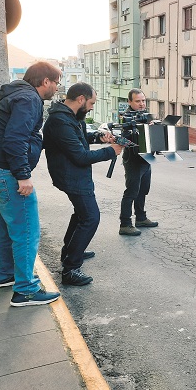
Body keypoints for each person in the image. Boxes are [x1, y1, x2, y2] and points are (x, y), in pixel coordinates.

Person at [0, 61, 62, 306]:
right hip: (6, 172)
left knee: (8, 228)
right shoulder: (29, 99)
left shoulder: (17, 95)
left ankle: (6, 275)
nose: (57, 87)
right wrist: (23, 175)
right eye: (56, 82)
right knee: (26, 230)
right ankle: (26, 290)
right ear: (45, 81)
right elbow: (15, 139)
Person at [42, 82, 122, 286]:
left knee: (81, 214)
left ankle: (70, 251)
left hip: (75, 175)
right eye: (91, 103)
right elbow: (80, 156)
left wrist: (98, 137)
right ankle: (70, 269)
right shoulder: (60, 121)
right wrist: (110, 151)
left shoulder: (70, 117)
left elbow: (77, 138)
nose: (92, 107)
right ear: (81, 99)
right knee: (90, 217)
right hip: (72, 176)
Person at [118, 89, 159, 236]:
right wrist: (142, 130)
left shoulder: (145, 115)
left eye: (143, 101)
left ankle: (141, 218)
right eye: (138, 101)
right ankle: (125, 224)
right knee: (131, 192)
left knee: (143, 190)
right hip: (133, 160)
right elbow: (124, 139)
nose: (141, 104)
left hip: (146, 159)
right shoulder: (126, 118)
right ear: (130, 102)